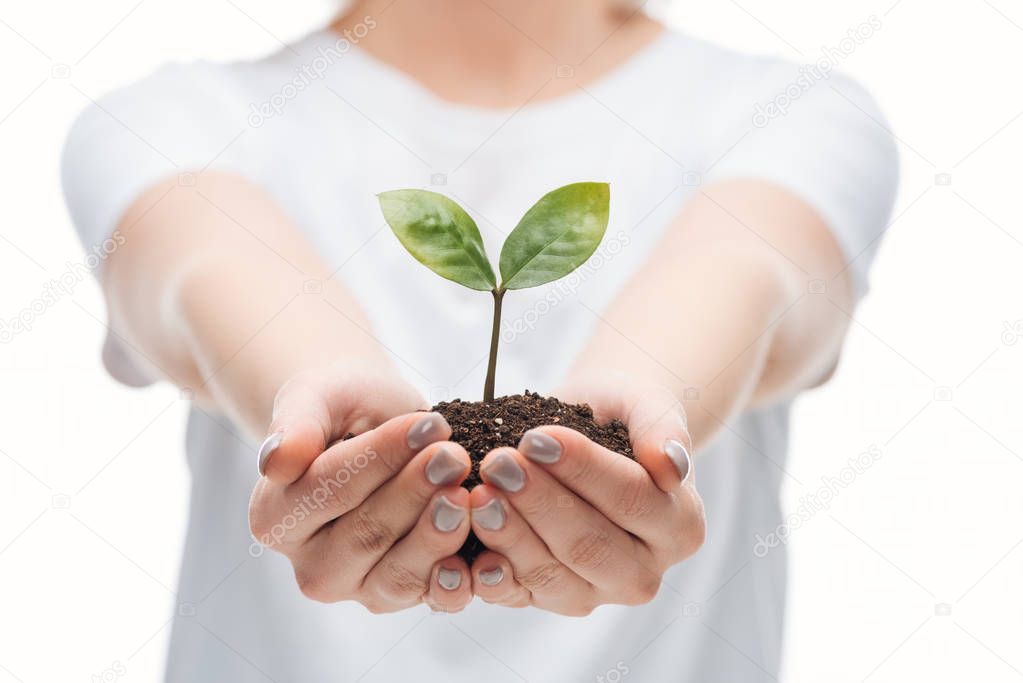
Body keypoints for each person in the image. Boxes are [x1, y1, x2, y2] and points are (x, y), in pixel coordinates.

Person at [61, 1, 898, 681]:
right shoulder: (172, 116)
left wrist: (639, 413)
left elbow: (746, 268)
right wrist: (320, 407)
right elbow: (199, 268)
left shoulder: (792, 111)